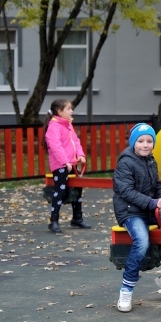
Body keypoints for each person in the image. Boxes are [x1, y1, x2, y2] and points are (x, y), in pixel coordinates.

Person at [113, 123, 161, 313]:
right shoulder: (126, 162)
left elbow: (157, 185)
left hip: (148, 210)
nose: (145, 145)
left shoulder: (151, 161)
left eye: (149, 141)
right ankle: (126, 290)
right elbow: (126, 191)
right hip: (130, 212)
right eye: (141, 141)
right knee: (142, 241)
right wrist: (153, 203)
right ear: (133, 143)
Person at [43, 99, 90, 233]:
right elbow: (55, 146)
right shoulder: (54, 126)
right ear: (59, 111)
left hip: (73, 163)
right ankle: (54, 221)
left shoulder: (68, 124)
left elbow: (75, 141)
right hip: (61, 165)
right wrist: (65, 162)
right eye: (68, 109)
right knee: (60, 191)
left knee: (77, 190)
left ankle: (77, 218)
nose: (71, 111)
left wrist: (80, 155)